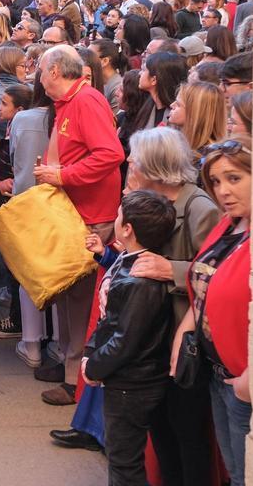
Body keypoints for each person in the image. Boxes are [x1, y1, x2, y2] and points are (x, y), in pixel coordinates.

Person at [32, 45, 125, 406]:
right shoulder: (70, 103)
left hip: (90, 217)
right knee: (68, 294)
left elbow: (111, 154)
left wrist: (64, 175)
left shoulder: (86, 101)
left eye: (41, 70)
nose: (38, 77)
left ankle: (77, 380)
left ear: (55, 71)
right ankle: (66, 362)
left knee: (81, 299)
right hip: (73, 213)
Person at [80, 190, 178, 486]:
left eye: (119, 214)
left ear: (128, 229)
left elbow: (125, 338)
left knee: (124, 462)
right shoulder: (132, 259)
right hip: (129, 379)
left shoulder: (142, 282)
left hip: (132, 384)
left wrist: (94, 366)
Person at [172, 136, 253, 486]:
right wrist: (184, 331)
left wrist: (252, 377)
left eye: (234, 179)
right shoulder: (227, 224)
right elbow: (204, 283)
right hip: (218, 372)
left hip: (242, 379)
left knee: (247, 476)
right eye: (216, 181)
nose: (223, 191)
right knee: (235, 470)